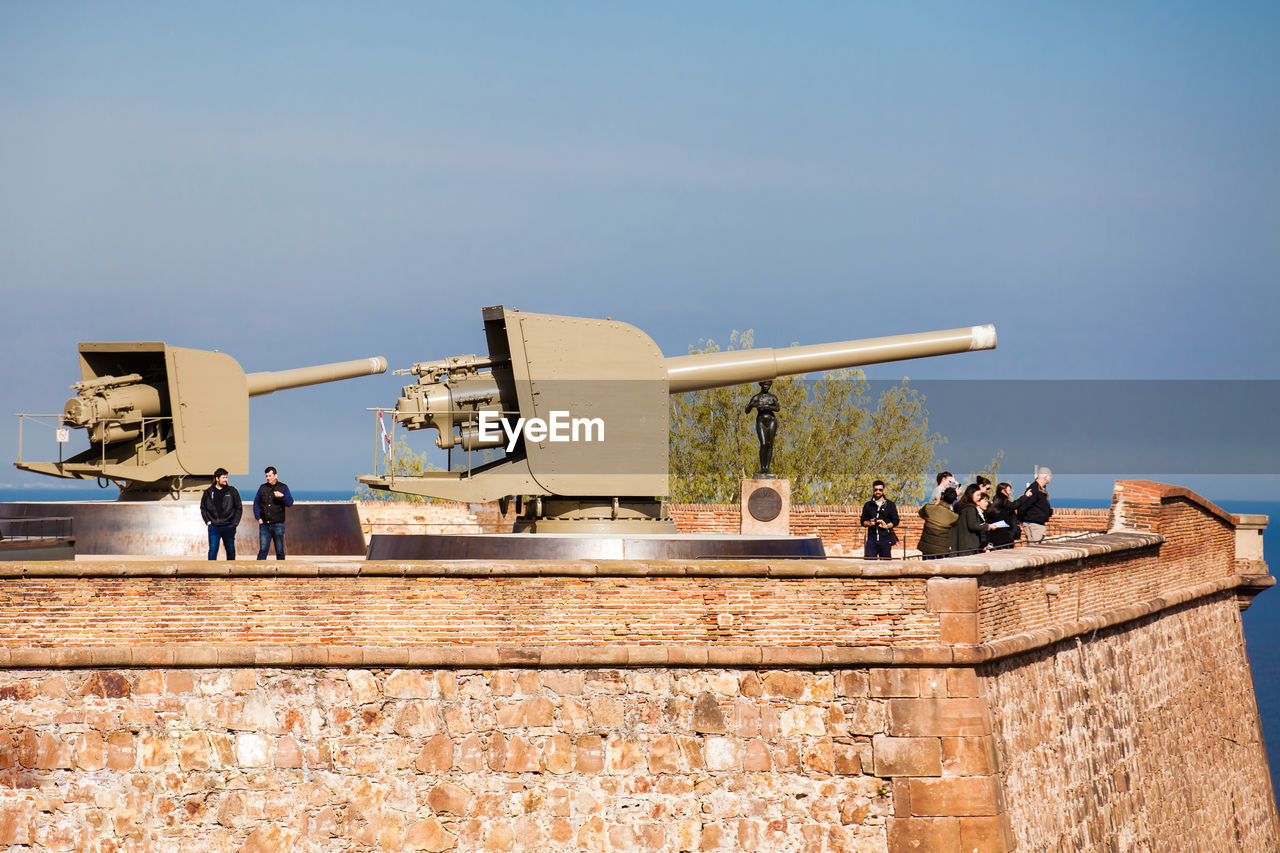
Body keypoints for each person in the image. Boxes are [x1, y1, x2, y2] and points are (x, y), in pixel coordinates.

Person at [253, 465, 295, 560]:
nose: (268, 478)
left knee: (280, 550)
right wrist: (258, 517)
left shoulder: (283, 487)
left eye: (270, 476)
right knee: (263, 549)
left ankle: (281, 572)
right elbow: (256, 503)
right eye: (266, 476)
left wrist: (282, 496)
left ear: (275, 476)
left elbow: (290, 503)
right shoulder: (262, 487)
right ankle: (259, 572)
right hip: (264, 525)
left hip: (278, 524)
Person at [200, 468, 242, 560]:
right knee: (212, 551)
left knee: (230, 550)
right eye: (223, 477)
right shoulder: (208, 492)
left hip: (228, 526)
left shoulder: (232, 491)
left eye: (226, 477)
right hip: (214, 526)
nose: (225, 480)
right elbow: (203, 508)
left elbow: (238, 507)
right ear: (217, 478)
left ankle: (231, 571)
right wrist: (207, 521)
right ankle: (211, 572)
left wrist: (234, 523)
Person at [744, 381, 781, 477]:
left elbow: (777, 408)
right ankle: (762, 467)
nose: (766, 387)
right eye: (764, 385)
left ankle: (767, 468)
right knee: (763, 444)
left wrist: (766, 406)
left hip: (771, 420)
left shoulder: (772, 397)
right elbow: (747, 410)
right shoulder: (756, 397)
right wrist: (752, 405)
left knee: (770, 444)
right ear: (761, 385)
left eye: (768, 385)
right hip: (761, 421)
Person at [860, 480, 899, 559]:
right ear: (873, 490)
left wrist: (886, 526)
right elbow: (862, 521)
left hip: (885, 539)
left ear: (883, 490)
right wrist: (870, 523)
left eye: (880, 490)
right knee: (869, 564)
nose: (878, 492)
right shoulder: (868, 505)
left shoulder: (890, 505)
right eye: (876, 490)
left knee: (886, 565)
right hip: (872, 539)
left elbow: (896, 520)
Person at [918, 486, 959, 559]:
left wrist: (936, 505)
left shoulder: (928, 508)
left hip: (927, 548)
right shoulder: (954, 517)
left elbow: (921, 513)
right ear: (953, 501)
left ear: (942, 496)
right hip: (942, 550)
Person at [1016, 467, 1054, 544]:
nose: (1051, 478)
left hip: (1037, 525)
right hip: (1033, 525)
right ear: (1045, 476)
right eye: (1050, 476)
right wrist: (1020, 518)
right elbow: (1024, 505)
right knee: (1034, 548)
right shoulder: (1034, 489)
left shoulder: (1041, 490)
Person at [986, 482, 1021, 548]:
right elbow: (1014, 505)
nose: (1010, 492)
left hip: (1003, 536)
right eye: (1009, 490)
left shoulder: (997, 502)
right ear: (1003, 491)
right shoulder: (1003, 502)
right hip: (1004, 536)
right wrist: (1025, 497)